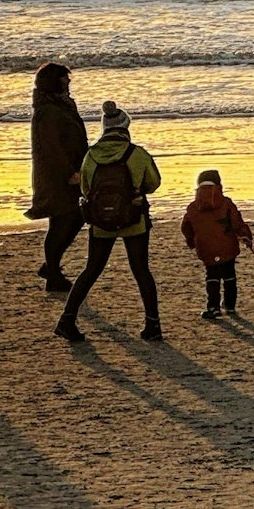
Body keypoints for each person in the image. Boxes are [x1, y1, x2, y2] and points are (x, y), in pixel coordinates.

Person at [55, 101, 163, 342]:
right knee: (141, 270)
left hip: (100, 222)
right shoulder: (137, 154)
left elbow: (85, 189)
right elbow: (153, 184)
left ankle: (67, 319)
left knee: (92, 269)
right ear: (126, 128)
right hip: (134, 220)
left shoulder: (91, 156)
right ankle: (152, 325)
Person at [28, 62, 89, 294]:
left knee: (72, 218)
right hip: (58, 177)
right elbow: (52, 147)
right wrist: (69, 173)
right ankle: (52, 272)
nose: (69, 84)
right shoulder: (48, 111)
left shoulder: (58, 105)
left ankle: (51, 267)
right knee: (63, 220)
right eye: (65, 80)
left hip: (71, 171)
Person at [180, 169, 254, 320]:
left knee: (212, 275)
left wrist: (191, 241)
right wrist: (246, 236)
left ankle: (213, 307)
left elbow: (186, 227)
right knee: (229, 274)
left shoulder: (193, 207)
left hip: (206, 246)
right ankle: (230, 305)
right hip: (227, 245)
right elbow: (237, 222)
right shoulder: (226, 203)